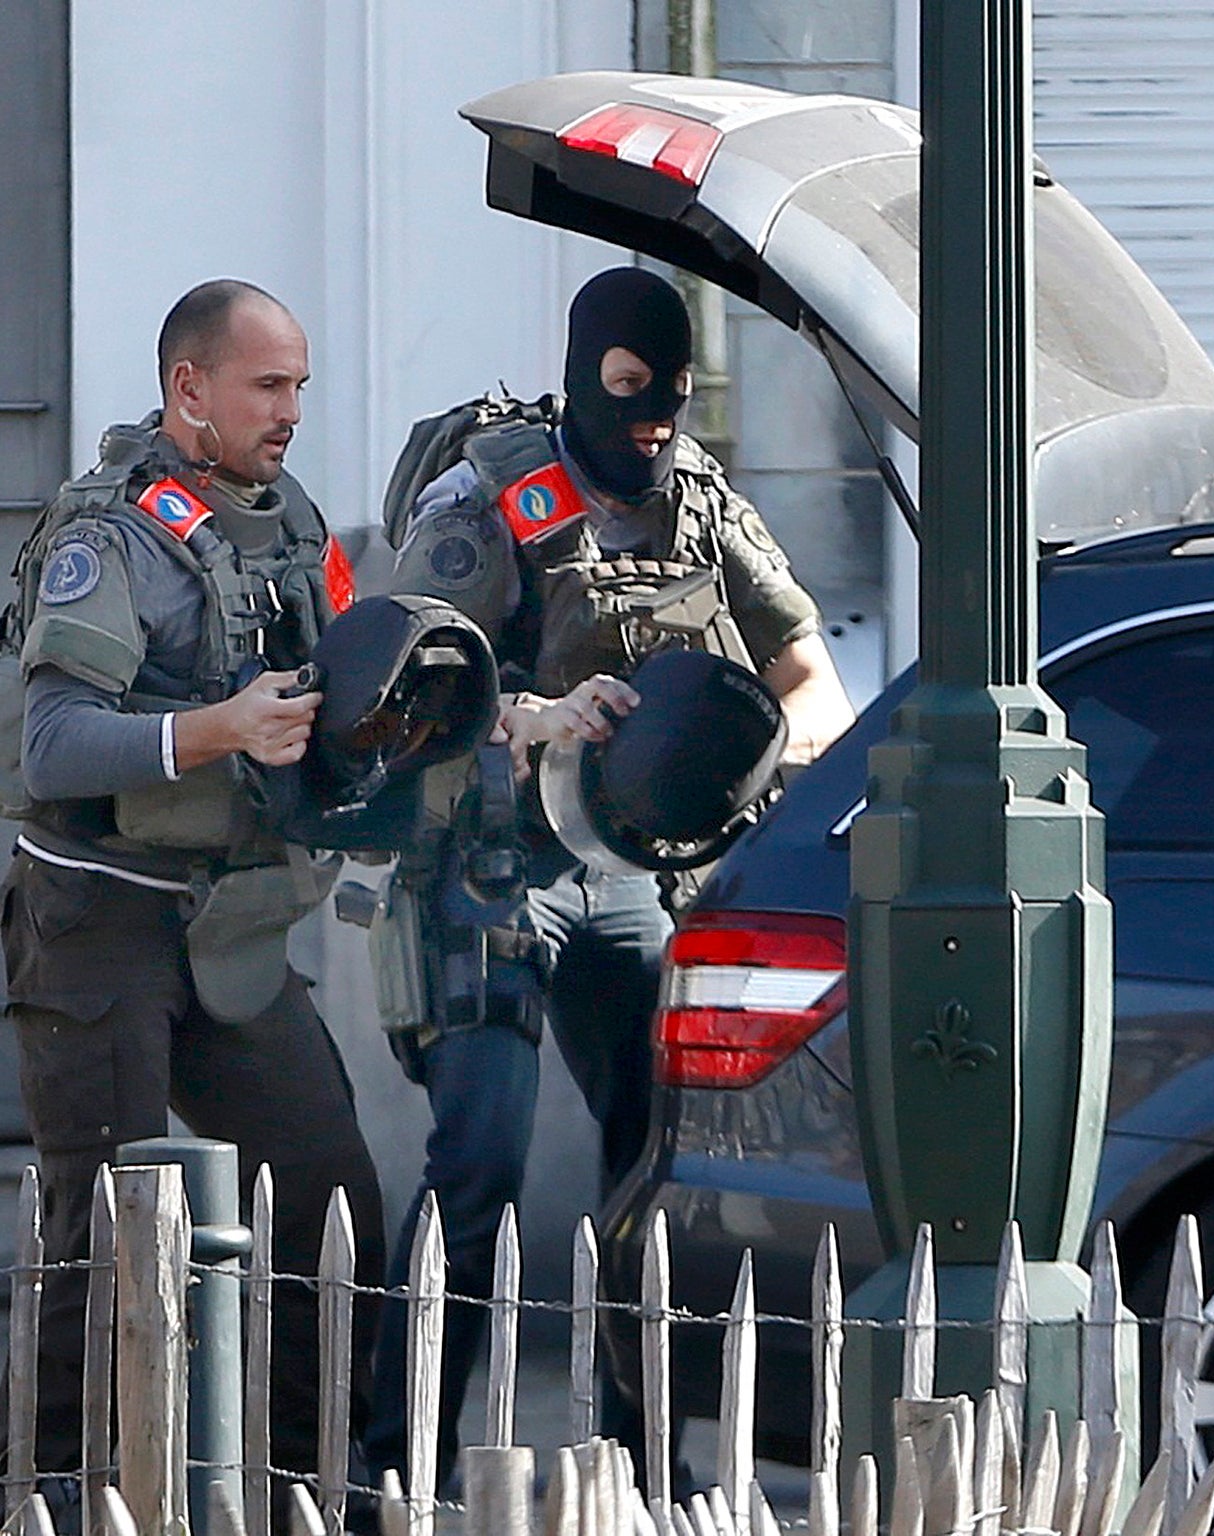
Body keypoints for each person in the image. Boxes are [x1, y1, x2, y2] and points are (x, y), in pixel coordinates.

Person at [363, 265, 853, 1482]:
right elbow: (390, 690)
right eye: (629, 391)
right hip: (491, 870)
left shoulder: (699, 499)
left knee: (652, 1166)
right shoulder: (489, 505)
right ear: (585, 373)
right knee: (478, 1168)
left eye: (673, 397)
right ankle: (396, 1468)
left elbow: (810, 678)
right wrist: (536, 713)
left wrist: (736, 753)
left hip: (631, 876)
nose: (651, 422)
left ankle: (645, 1460)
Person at [0, 279, 385, 1508]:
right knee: (98, 1236)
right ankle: (55, 1494)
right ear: (188, 391)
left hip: (231, 921)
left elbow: (348, 677)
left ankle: (302, 1483)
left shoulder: (289, 521)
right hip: (98, 919)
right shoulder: (103, 536)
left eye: (299, 388)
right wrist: (215, 730)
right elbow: (50, 746)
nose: (289, 413)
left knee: (332, 1196)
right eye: (267, 387)